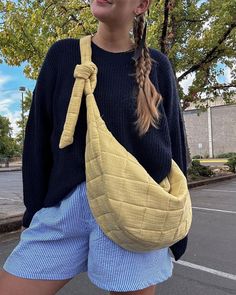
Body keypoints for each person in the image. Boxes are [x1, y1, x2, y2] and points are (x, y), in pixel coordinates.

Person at [0, 0, 189, 294]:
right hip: (65, 209)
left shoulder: (158, 66)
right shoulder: (63, 56)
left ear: (141, 5)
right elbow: (37, 141)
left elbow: (175, 148)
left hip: (134, 210)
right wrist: (33, 213)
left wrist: (176, 230)